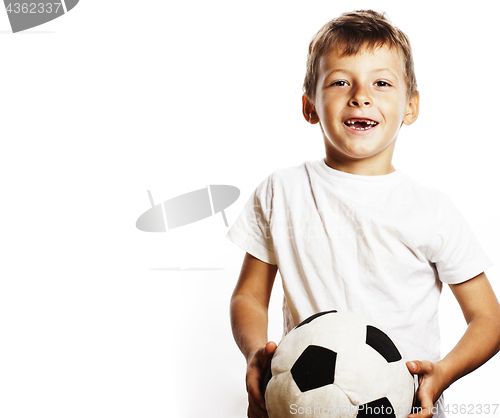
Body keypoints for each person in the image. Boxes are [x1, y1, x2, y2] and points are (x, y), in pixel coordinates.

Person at [227, 10, 500, 418]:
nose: (361, 95)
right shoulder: (280, 191)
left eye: (382, 83)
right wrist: (255, 353)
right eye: (340, 81)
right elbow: (249, 294)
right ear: (309, 106)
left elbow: (488, 318)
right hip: (304, 405)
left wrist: (442, 373)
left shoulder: (432, 209)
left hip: (407, 407)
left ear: (410, 107)